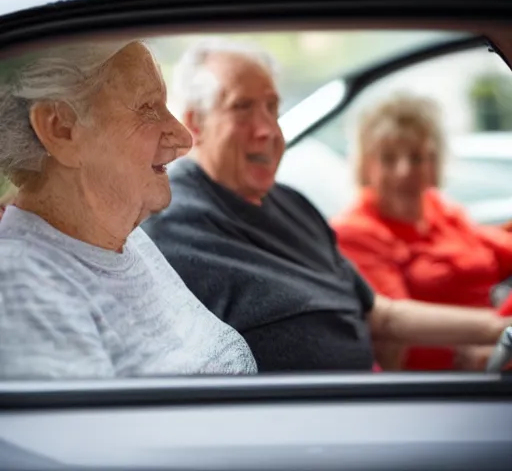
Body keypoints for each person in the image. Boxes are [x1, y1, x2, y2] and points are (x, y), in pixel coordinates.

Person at [143, 39, 511, 373]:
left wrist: (499, 329)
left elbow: (380, 316)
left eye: (272, 108)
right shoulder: (173, 221)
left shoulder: (292, 203)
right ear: (195, 122)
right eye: (242, 108)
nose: (268, 130)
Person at [0, 39, 257, 379]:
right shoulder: (22, 287)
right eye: (149, 107)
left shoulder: (124, 240)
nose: (183, 137)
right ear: (60, 129)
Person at [330, 94, 512, 370]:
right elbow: (397, 333)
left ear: (433, 162)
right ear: (367, 165)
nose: (404, 171)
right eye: (388, 159)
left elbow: (502, 249)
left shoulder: (440, 211)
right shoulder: (354, 232)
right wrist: (493, 336)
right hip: (451, 376)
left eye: (416, 157)